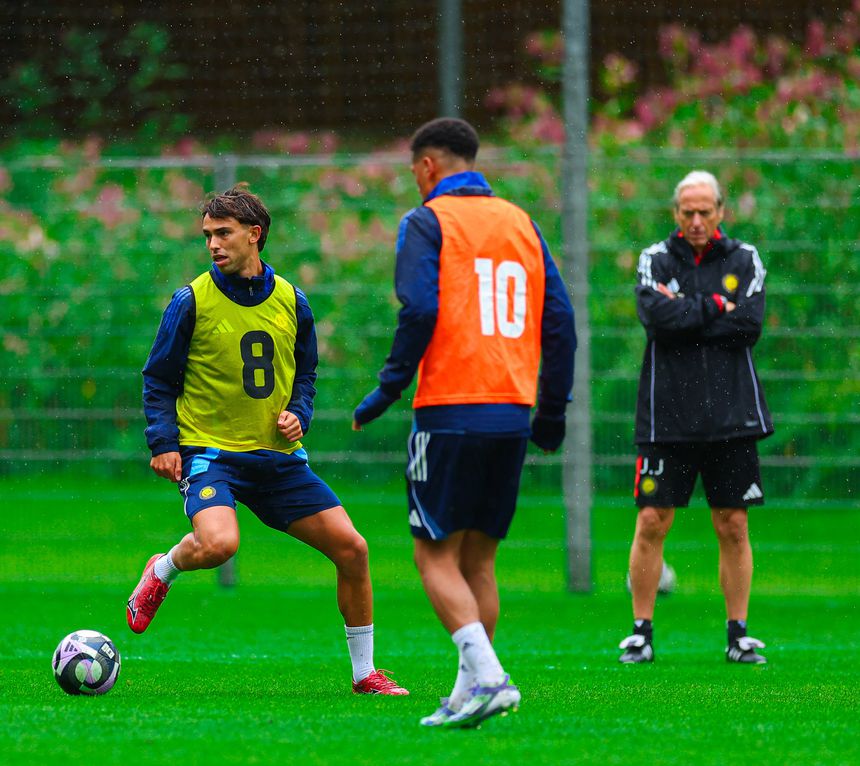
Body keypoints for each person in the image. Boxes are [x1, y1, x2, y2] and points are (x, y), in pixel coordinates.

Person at [128, 184, 408, 696]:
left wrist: (299, 414)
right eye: (208, 235)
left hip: (277, 459)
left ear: (254, 235)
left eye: (224, 233)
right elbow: (158, 378)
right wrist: (163, 442)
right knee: (219, 545)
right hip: (210, 452)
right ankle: (163, 570)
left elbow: (305, 373)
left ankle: (365, 673)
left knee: (353, 549)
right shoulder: (191, 301)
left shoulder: (291, 300)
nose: (213, 244)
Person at [352, 118, 576, 727]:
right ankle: (466, 693)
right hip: (510, 411)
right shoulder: (521, 223)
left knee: (433, 555)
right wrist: (551, 411)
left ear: (427, 166)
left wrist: (389, 387)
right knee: (479, 560)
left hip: (451, 409)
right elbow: (559, 323)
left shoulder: (426, 222)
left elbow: (420, 306)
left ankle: (492, 676)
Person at [619, 170, 773, 665]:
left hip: (732, 416)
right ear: (675, 213)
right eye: (688, 211)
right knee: (651, 521)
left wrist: (687, 311)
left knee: (732, 524)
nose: (697, 220)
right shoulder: (655, 259)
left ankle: (738, 633)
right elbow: (656, 319)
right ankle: (641, 633)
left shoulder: (744, 258)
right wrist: (713, 307)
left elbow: (748, 325)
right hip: (668, 419)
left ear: (721, 212)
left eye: (706, 211)